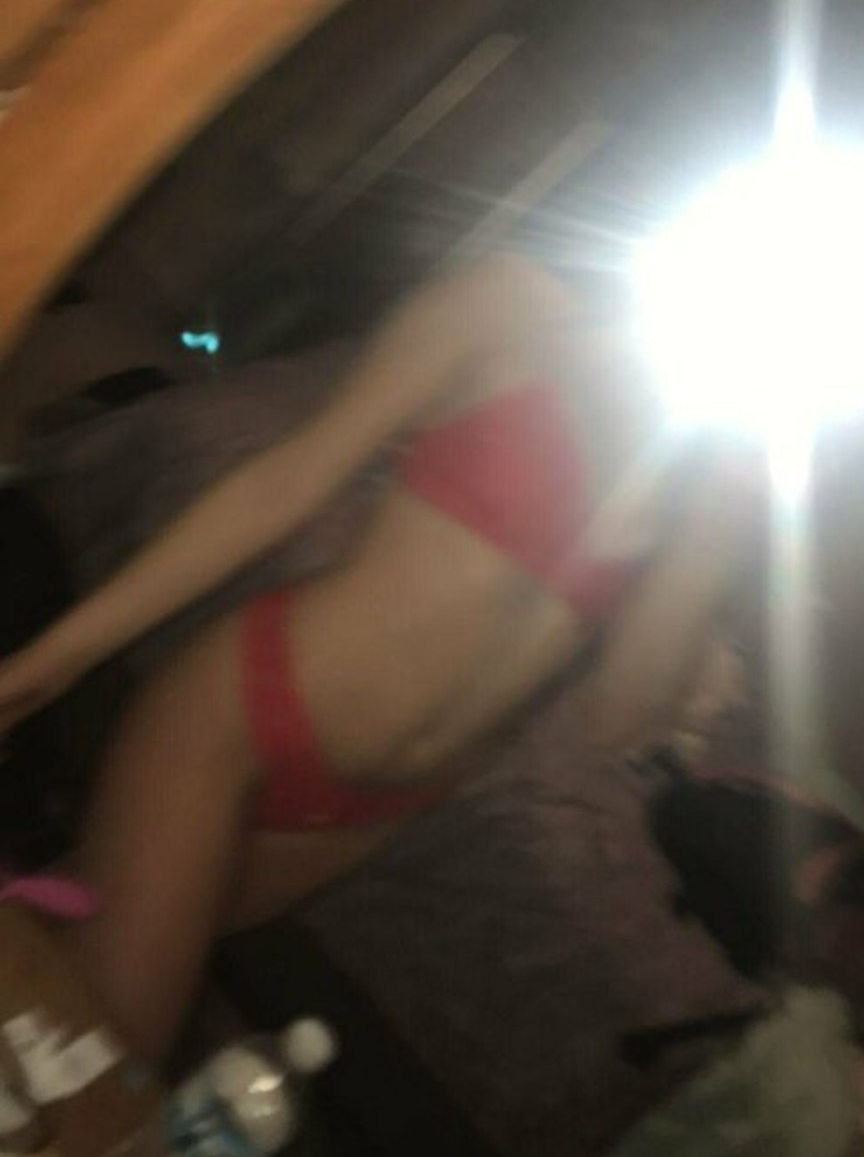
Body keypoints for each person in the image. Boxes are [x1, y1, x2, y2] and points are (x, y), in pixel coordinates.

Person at [0, 253, 754, 1061]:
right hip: (251, 711)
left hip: (373, 810)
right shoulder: (511, 303)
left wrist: (715, 525)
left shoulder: (704, 473)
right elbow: (287, 482)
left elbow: (616, 716)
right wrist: (62, 654)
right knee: (103, 1050)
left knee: (51, 968)